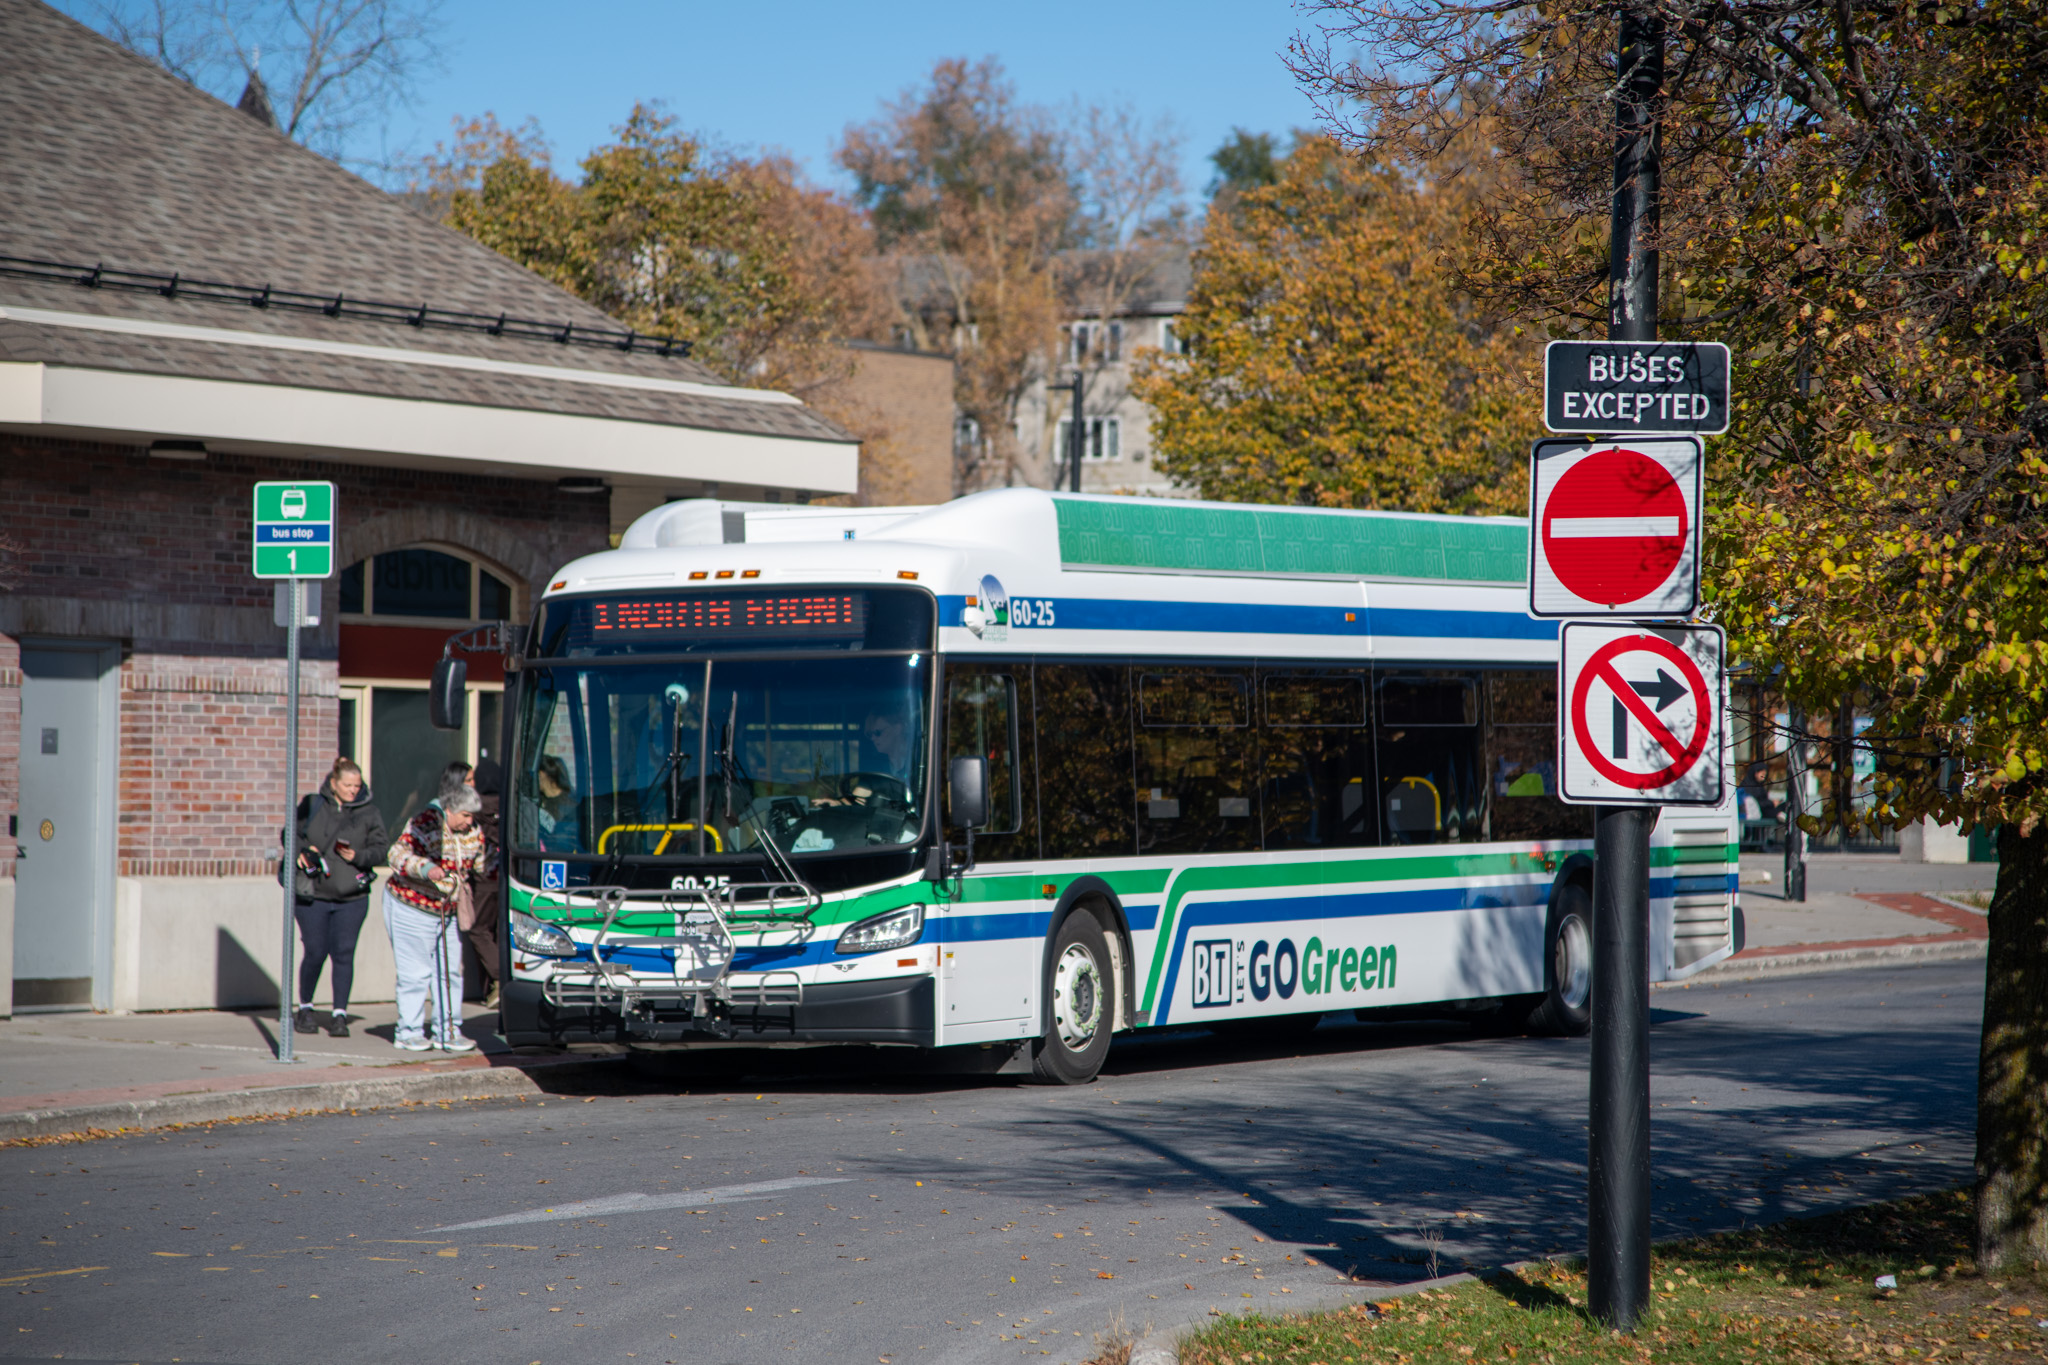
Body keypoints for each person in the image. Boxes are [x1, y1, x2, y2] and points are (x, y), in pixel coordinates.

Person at [384, 783, 495, 1052]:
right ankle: (408, 1031)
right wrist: (426, 867)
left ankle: (448, 1030)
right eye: (466, 815)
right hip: (412, 906)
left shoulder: (473, 831)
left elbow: (481, 864)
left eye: (472, 816)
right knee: (416, 973)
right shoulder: (424, 823)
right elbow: (396, 855)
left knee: (449, 973)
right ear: (450, 809)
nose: (471, 822)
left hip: (448, 909)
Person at [289, 757, 386, 1038]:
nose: (353, 790)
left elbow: (381, 848)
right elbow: (290, 834)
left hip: (351, 897)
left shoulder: (369, 812)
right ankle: (305, 1008)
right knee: (316, 951)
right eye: (347, 785)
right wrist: (305, 852)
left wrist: (360, 856)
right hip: (314, 895)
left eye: (357, 785)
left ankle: (339, 1015)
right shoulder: (313, 805)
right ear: (333, 783)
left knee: (344, 953)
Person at [466, 757, 505, 1008]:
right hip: (507, 878)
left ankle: (501, 978)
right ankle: (491, 988)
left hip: (483, 878)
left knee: (478, 928)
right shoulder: (508, 806)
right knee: (498, 932)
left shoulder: (474, 807)